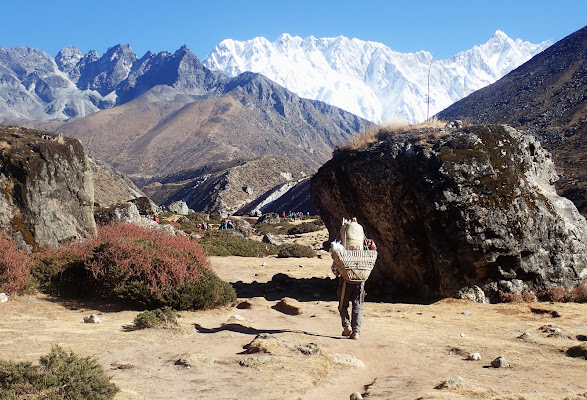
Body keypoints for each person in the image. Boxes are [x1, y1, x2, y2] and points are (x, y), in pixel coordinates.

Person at [332, 262, 365, 340]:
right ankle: (356, 332)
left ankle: (347, 326)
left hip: (345, 280)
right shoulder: (363, 252)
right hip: (360, 280)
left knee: (342, 305)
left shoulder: (344, 251)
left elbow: (335, 270)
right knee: (358, 305)